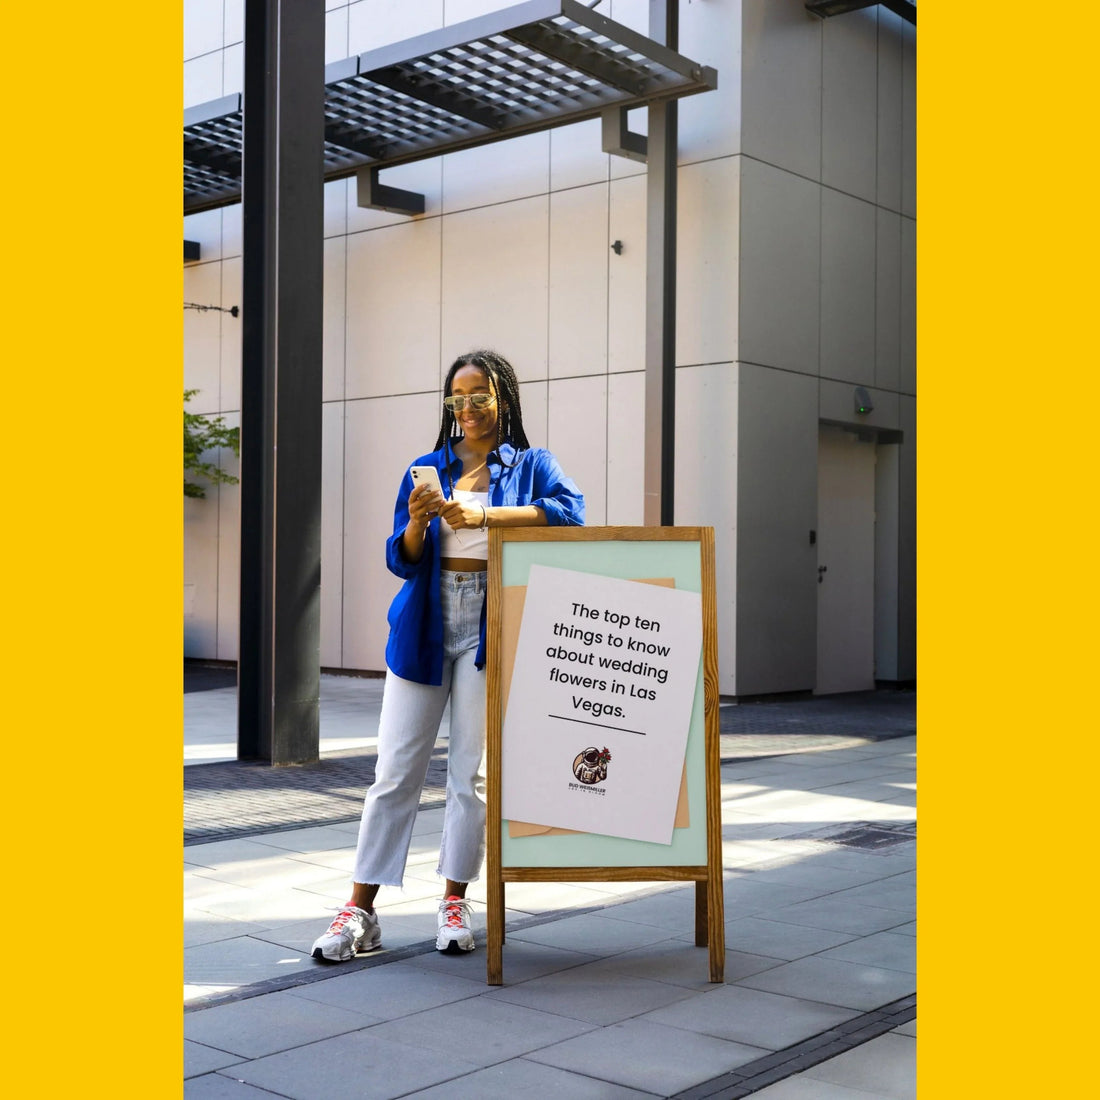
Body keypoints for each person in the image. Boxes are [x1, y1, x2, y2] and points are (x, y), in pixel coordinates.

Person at [311, 349, 585, 961]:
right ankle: (361, 909)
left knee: (471, 777)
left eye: (479, 397)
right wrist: (415, 523)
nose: (467, 409)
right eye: (456, 399)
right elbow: (399, 558)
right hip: (425, 623)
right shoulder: (425, 467)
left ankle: (454, 899)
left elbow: (571, 514)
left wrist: (486, 515)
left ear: (503, 401)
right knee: (394, 773)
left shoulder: (532, 463)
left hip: (492, 625)